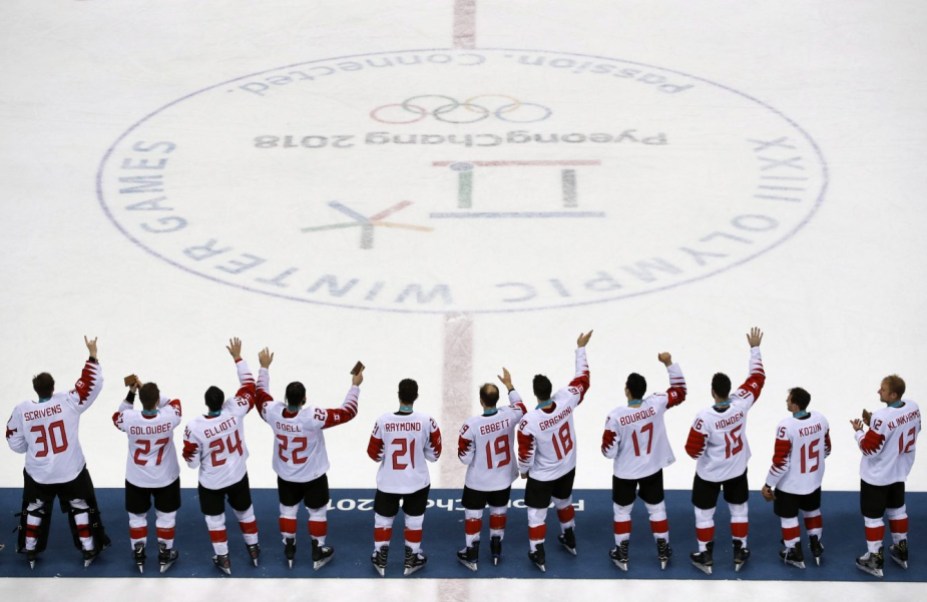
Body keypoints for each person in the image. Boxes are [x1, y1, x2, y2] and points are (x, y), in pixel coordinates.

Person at [5, 336, 110, 568]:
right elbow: (91, 384)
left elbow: (13, 441)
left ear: (36, 389)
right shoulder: (68, 401)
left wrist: (29, 449)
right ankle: (88, 547)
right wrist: (92, 355)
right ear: (53, 388)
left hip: (38, 473)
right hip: (71, 470)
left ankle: (30, 549)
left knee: (34, 508)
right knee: (80, 505)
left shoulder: (22, 410)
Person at [254, 348, 363, 570]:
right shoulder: (312, 416)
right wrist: (355, 385)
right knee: (317, 512)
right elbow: (348, 412)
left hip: (286, 474)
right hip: (313, 474)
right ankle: (317, 548)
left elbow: (260, 396)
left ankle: (289, 546)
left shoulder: (273, 412)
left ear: (286, 399)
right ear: (304, 398)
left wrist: (264, 368)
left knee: (287, 510)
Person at [684, 326, 765, 575]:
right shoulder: (741, 403)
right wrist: (755, 349)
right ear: (730, 389)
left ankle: (705, 553)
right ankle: (740, 549)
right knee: (739, 510)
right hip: (737, 469)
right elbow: (757, 378)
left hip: (709, 474)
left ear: (712, 391)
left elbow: (692, 450)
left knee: (704, 513)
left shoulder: (704, 417)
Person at [512, 330, 592, 572]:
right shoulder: (566, 399)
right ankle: (569, 536)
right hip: (567, 465)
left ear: (536, 393)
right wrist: (580, 348)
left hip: (543, 474)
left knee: (536, 514)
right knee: (564, 501)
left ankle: (537, 550)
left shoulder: (529, 421)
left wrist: (524, 471)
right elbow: (583, 379)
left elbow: (525, 453)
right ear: (551, 390)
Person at [601, 351, 687, 571]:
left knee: (622, 512)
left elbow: (608, 452)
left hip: (625, 472)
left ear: (627, 390)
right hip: (652, 468)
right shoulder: (656, 404)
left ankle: (621, 551)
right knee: (656, 509)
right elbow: (680, 392)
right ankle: (663, 547)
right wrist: (669, 363)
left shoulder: (616, 417)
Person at [182, 337, 260, 575]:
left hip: (212, 482)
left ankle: (223, 557)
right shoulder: (235, 410)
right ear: (223, 400)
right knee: (246, 512)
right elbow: (249, 387)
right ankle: (254, 549)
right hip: (237, 474)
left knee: (215, 520)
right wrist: (238, 358)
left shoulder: (195, 427)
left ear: (206, 404)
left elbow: (192, 463)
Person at [367, 378, 442, 576]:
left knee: (383, 520)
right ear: (416, 396)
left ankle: (380, 555)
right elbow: (434, 455)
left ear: (398, 395)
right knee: (414, 520)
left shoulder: (383, 421)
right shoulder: (427, 421)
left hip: (389, 481)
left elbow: (374, 454)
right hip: (416, 481)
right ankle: (412, 557)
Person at [455, 371, 527, 570]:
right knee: (498, 512)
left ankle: (471, 552)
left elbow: (465, 458)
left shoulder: (472, 425)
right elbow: (522, 407)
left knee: (473, 515)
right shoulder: (509, 415)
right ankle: (496, 547)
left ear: (481, 401)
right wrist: (510, 386)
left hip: (478, 480)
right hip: (503, 477)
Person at [850, 374, 921, 577]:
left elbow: (869, 449)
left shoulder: (882, 416)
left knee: (873, 517)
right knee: (898, 510)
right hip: (899, 471)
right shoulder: (913, 407)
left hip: (877, 475)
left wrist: (859, 432)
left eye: (882, 389)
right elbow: (908, 428)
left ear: (893, 394)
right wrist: (874, 423)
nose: (878, 391)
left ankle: (875, 558)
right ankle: (901, 549)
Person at [112, 375, 184, 573]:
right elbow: (174, 403)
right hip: (166, 477)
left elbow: (118, 415)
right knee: (166, 517)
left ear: (142, 400)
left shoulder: (129, 419)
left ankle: (138, 552)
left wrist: (132, 392)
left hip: (137, 477)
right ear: (157, 399)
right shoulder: (170, 417)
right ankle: (165, 552)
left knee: (136, 517)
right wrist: (148, 391)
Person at [760, 387, 831, 569]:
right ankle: (815, 544)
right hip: (813, 480)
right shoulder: (820, 419)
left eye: (788, 400)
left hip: (790, 484)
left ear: (795, 404)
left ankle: (793, 550)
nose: (786, 402)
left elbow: (781, 462)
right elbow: (827, 449)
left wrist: (769, 483)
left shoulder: (786, 427)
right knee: (812, 511)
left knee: (788, 517)